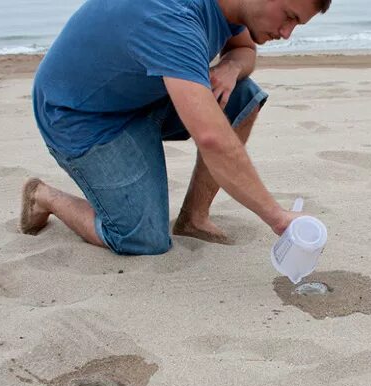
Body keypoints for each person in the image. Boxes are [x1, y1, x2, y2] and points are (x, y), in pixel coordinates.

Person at [21, 0, 331, 254]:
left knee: (243, 95)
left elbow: (244, 50)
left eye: (297, 24)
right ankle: (44, 197)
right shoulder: (173, 17)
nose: (287, 33)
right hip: (80, 116)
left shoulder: (234, 8)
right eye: (288, 17)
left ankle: (194, 218)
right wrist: (278, 218)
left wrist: (230, 67)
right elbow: (211, 138)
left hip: (142, 95)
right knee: (142, 240)